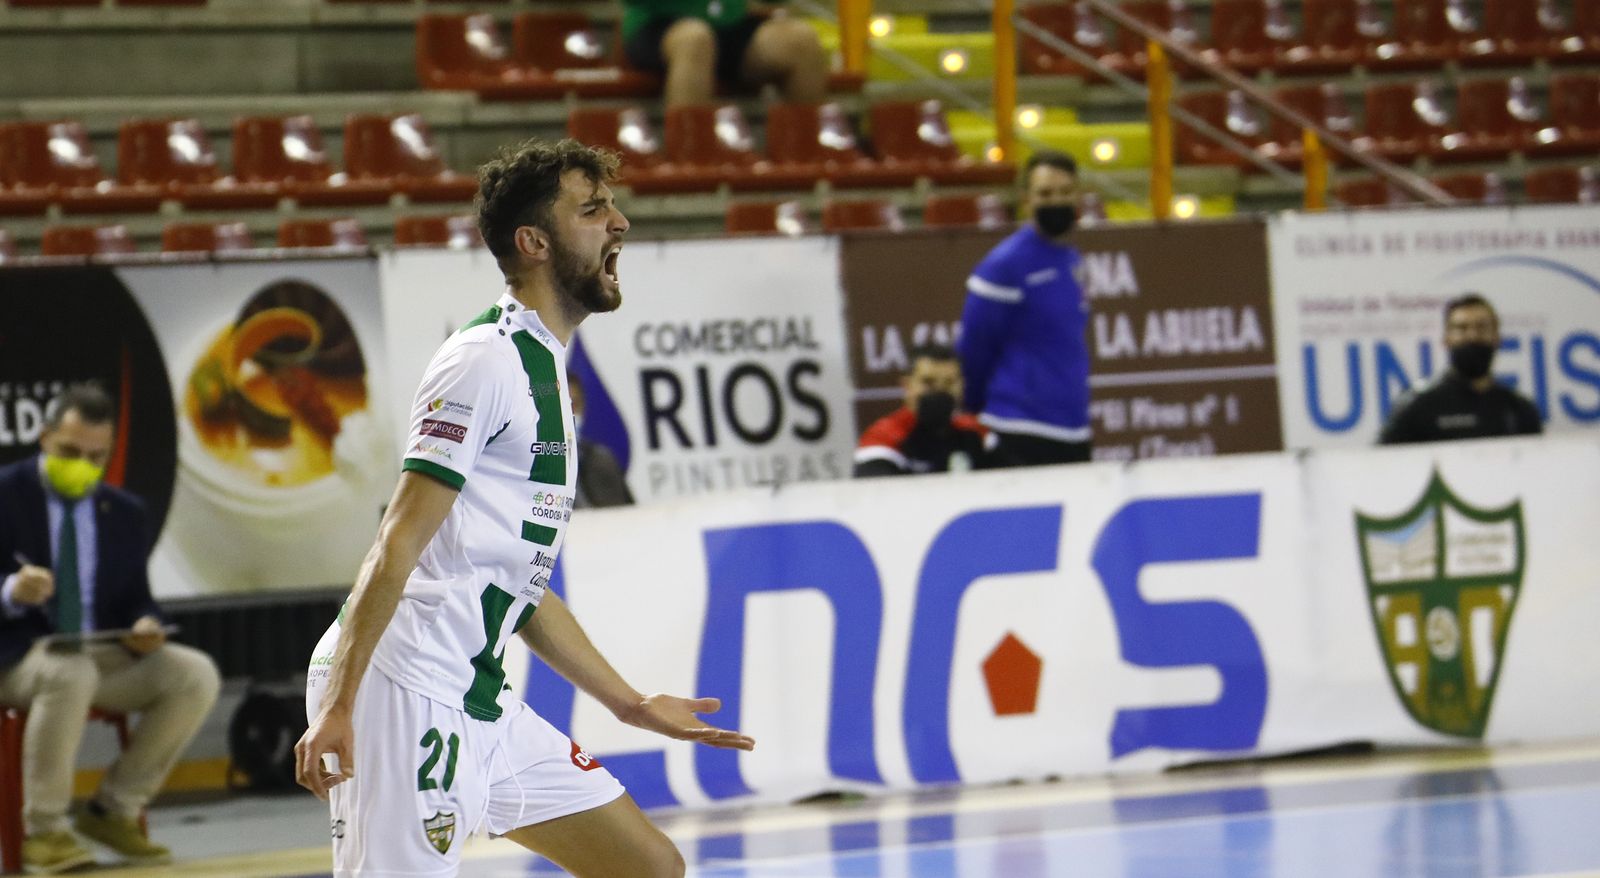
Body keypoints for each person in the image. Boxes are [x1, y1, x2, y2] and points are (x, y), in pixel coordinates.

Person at [294, 139, 753, 878]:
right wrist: (341, 704)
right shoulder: (483, 359)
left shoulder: (545, 371)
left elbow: (521, 585)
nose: (619, 224)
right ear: (534, 243)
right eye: (593, 210)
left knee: (650, 867)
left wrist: (630, 705)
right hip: (407, 685)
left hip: (478, 693)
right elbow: (396, 541)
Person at [0, 384, 221, 874]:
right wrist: (11, 589)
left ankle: (114, 809)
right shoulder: (5, 495)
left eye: (96, 457)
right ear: (44, 438)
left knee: (194, 674)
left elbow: (136, 598)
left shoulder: (123, 512)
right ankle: (45, 832)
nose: (82, 465)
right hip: (16, 657)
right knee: (69, 673)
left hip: (97, 653)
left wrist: (146, 623)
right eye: (69, 452)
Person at [958, 150, 1093, 467]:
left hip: (1073, 426)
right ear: (1026, 200)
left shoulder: (1071, 259)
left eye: (1065, 192)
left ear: (1078, 196)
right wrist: (973, 411)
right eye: (1045, 194)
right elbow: (975, 348)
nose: (1056, 201)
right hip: (1017, 427)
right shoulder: (1004, 265)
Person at [1379, 293, 1543, 444]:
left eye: (1481, 327)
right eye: (1462, 328)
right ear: (1446, 339)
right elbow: (1384, 461)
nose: (1472, 336)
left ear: (1496, 337)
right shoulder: (1417, 406)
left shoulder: (1519, 409)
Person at [621, 0, 829, 109]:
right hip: (659, 22)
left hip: (728, 22)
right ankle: (689, 159)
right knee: (695, 39)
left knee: (802, 40)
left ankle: (803, 157)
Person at [854, 344, 995, 477]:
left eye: (949, 383)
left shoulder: (978, 432)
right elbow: (875, 490)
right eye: (928, 382)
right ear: (907, 385)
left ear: (962, 386)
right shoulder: (885, 435)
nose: (939, 391)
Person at [568, 369, 635, 509]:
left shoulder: (601, 459)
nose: (570, 413)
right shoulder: (533, 466)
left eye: (575, 405)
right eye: (563, 407)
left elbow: (628, 515)